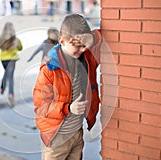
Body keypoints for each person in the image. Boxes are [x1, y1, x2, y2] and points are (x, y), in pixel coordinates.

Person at [33, 14, 102, 159]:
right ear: (62, 41)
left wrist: (89, 38)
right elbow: (41, 106)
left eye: (84, 45)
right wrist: (68, 108)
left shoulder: (86, 56)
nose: (82, 49)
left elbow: (101, 36)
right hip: (56, 138)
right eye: (76, 45)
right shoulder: (49, 69)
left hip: (77, 134)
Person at [0, 22, 23, 107]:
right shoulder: (16, 40)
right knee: (10, 77)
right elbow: (20, 48)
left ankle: (2, 88)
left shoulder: (0, 39)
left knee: (6, 73)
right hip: (12, 60)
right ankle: (11, 94)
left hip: (3, 60)